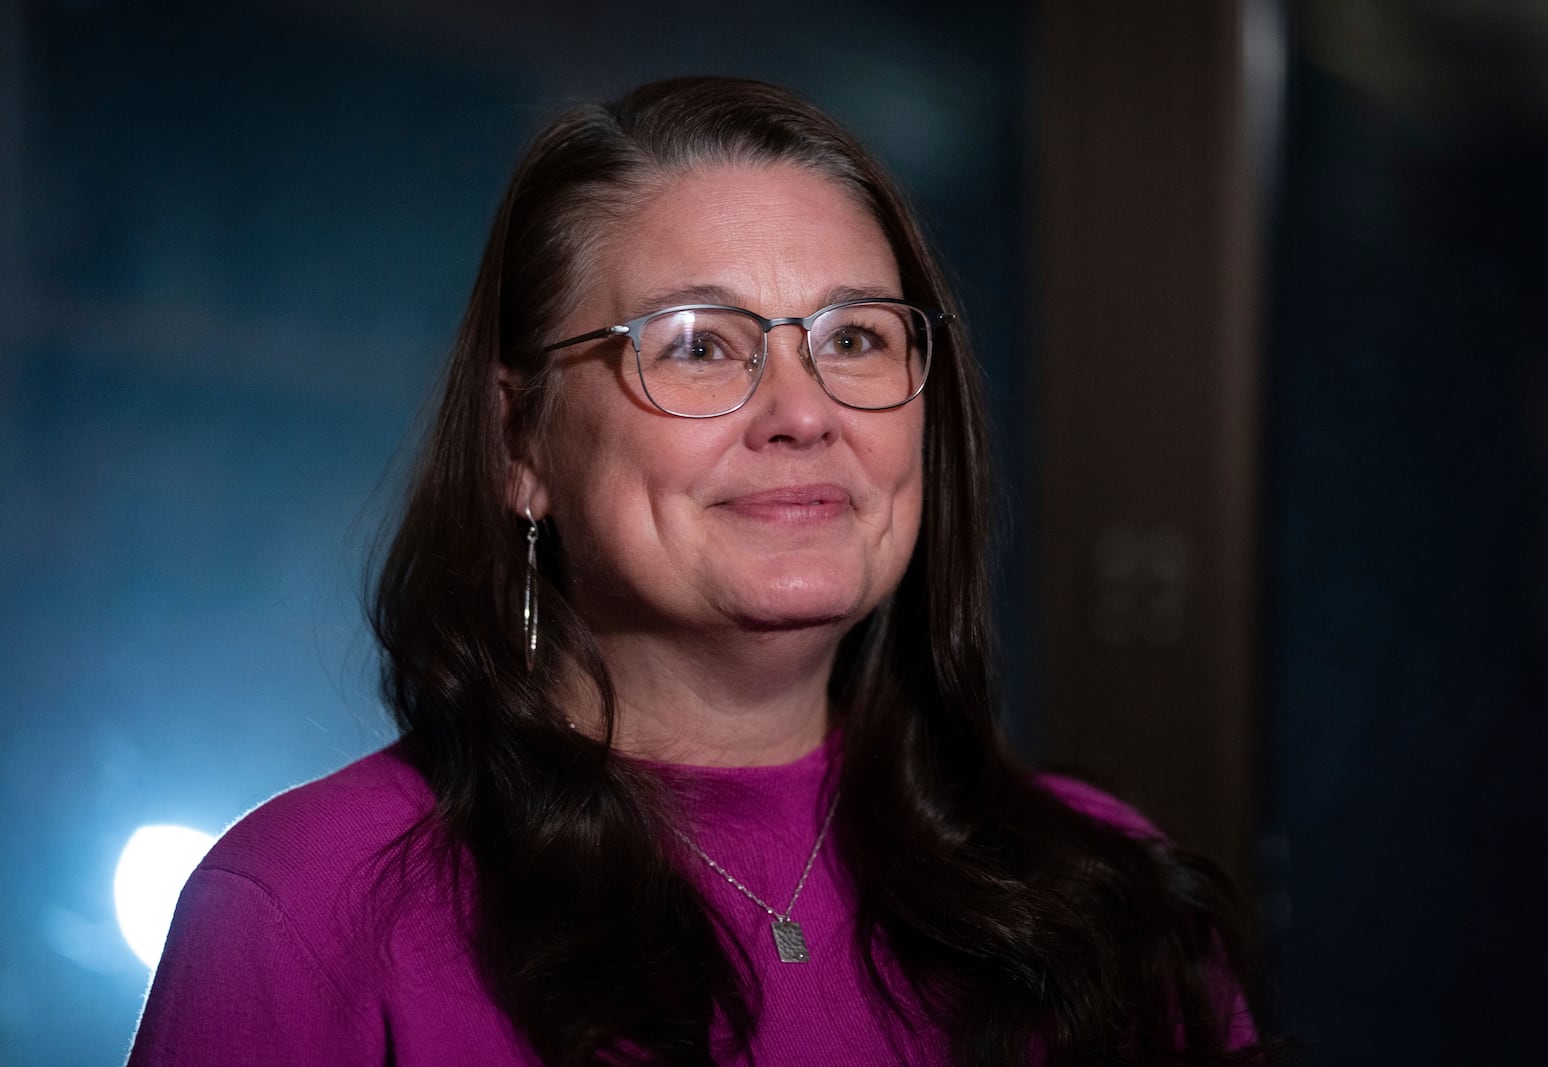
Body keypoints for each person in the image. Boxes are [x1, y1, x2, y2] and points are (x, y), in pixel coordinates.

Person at [129, 76, 1265, 1065]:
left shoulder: (1107, 886)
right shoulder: (303, 909)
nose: (803, 413)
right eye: (697, 344)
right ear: (521, 445)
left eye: (855, 337)